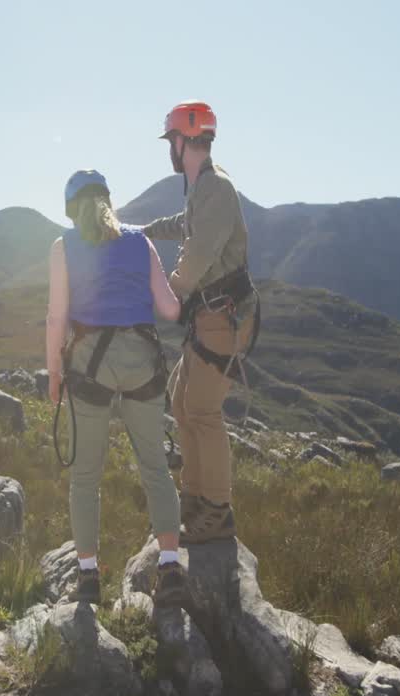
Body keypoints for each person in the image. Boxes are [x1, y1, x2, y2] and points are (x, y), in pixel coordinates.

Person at [46, 169, 187, 608]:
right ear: (109, 200)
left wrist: (54, 373)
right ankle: (169, 564)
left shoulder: (63, 247)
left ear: (72, 209)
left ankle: (88, 578)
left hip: (90, 368)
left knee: (85, 477)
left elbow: (56, 318)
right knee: (155, 470)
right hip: (143, 364)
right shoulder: (139, 242)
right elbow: (168, 308)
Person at [142, 100, 259, 544]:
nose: (169, 148)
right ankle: (193, 496)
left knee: (204, 411)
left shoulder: (216, 190)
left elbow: (193, 263)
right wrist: (145, 232)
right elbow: (185, 225)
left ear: (185, 140)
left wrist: (162, 289)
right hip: (210, 317)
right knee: (180, 402)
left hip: (222, 318)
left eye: (171, 140)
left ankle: (218, 510)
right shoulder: (203, 187)